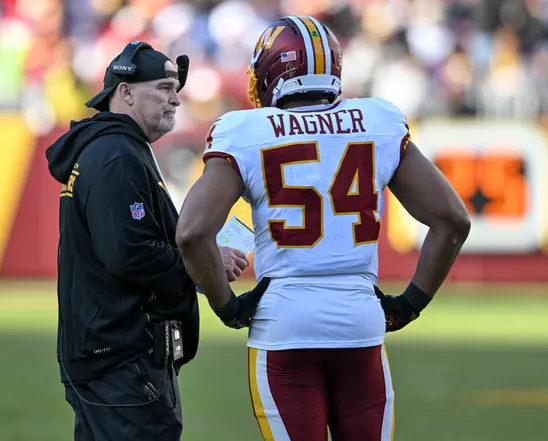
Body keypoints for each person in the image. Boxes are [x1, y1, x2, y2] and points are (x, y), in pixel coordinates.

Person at [176, 16, 471, 441]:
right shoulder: (377, 120)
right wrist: (410, 303)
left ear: (273, 71)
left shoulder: (245, 131)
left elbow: (191, 233)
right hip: (361, 321)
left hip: (284, 323)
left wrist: (228, 307)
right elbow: (452, 220)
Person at [45, 41, 256, 441]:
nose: (176, 99)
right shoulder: (115, 155)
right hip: (122, 358)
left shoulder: (114, 148)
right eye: (163, 87)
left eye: (175, 88)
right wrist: (202, 263)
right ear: (124, 92)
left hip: (109, 355)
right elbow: (131, 255)